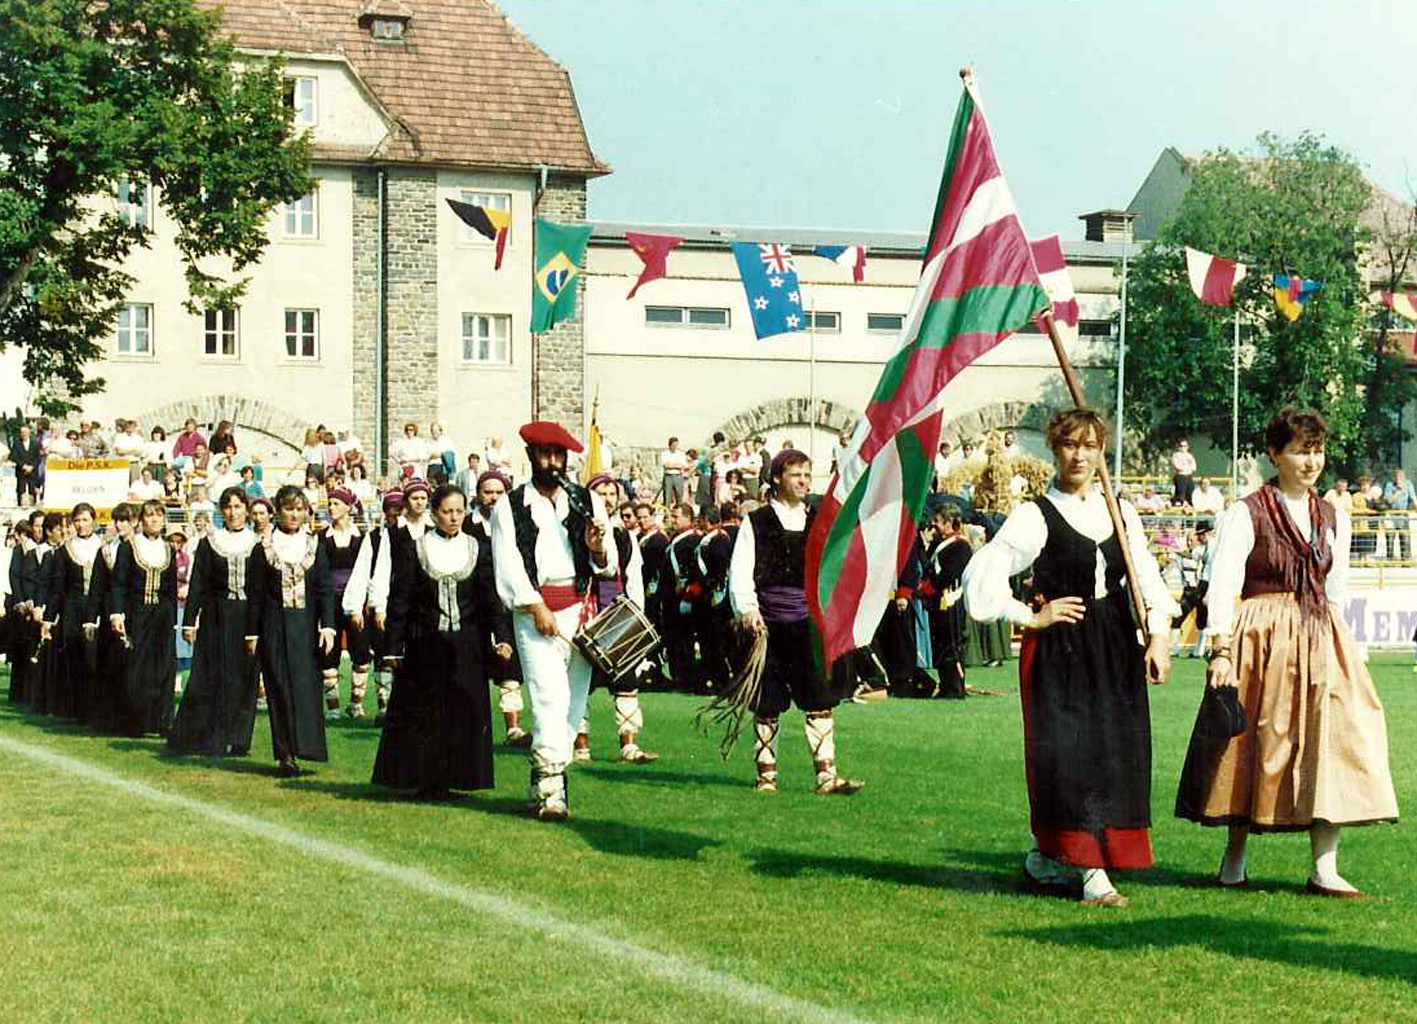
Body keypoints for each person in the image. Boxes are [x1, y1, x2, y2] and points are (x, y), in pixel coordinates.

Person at [1175, 407, 1398, 897]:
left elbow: (1336, 587)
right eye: (1300, 450)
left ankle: (1325, 865)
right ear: (1275, 454)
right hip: (1263, 634)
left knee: (1333, 739)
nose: (1310, 460)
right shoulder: (1247, 510)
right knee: (1251, 738)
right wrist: (1222, 649)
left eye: (1316, 450)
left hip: (1321, 635)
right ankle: (1234, 858)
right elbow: (1224, 584)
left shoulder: (1332, 514)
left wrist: (1344, 646)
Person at [963, 408, 1176, 907]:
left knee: (1115, 754)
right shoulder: (1036, 514)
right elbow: (984, 573)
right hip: (1061, 649)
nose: (1079, 455)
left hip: (1115, 646)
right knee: (1071, 755)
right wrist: (1029, 616)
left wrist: (1160, 637)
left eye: (1089, 445)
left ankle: (1047, 856)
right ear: (1054, 452)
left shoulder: (1119, 511)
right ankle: (1091, 873)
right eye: (1068, 445)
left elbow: (1145, 577)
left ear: (1102, 450)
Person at [489, 420, 618, 821]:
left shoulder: (586, 501)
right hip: (536, 611)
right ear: (531, 457)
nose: (553, 462)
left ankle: (543, 774)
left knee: (573, 703)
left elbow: (608, 562)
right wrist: (534, 606)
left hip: (580, 608)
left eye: (559, 455)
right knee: (549, 697)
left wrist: (596, 549)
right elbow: (508, 564)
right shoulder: (509, 506)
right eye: (545, 454)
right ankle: (552, 790)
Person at [728, 449, 863, 796]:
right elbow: (741, 569)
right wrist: (747, 609)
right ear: (776, 479)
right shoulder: (756, 522)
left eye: (807, 474)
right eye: (795, 474)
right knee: (768, 702)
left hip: (808, 624)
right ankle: (766, 776)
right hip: (768, 624)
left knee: (819, 697)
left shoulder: (819, 520)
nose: (803, 481)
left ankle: (825, 775)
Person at [373, 483, 504, 799]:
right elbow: (400, 601)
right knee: (425, 713)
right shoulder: (414, 548)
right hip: (424, 645)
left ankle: (456, 777)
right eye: (447, 512)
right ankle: (425, 779)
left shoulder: (478, 548)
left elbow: (490, 599)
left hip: (467, 646)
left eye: (460, 511)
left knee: (462, 711)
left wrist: (500, 636)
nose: (455, 517)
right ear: (434, 513)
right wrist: (392, 647)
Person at [245, 485, 337, 777]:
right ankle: (285, 754)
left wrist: (329, 626)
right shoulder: (264, 548)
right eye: (288, 509)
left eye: (299, 509)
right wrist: (252, 633)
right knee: (280, 687)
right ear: (278, 511)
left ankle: (305, 747)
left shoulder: (315, 545)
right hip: (273, 625)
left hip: (306, 626)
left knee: (305, 688)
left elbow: (324, 590)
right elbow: (256, 593)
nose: (294, 514)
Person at [167, 487, 261, 757]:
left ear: (246, 508)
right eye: (228, 507)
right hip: (216, 616)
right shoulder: (211, 542)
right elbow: (197, 584)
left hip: (248, 617)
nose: (233, 512)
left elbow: (262, 587)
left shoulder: (257, 543)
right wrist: (188, 622)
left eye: (238, 506)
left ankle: (239, 738)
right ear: (222, 511)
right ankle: (211, 736)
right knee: (213, 676)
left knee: (244, 677)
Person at [573, 474, 657, 764]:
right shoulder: (574, 530)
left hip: (617, 611)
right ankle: (579, 745)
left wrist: (637, 618)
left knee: (626, 680)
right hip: (586, 609)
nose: (607, 498)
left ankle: (629, 746)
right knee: (581, 682)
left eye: (611, 493)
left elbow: (633, 578)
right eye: (600, 492)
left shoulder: (625, 535)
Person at [464, 470, 530, 746]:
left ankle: (513, 728)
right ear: (478, 494)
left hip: (508, 601)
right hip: (474, 603)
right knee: (471, 665)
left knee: (509, 665)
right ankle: (468, 727)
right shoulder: (468, 524)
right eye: (487, 491)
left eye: (498, 492)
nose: (493, 497)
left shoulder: (518, 522)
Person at [108, 499, 182, 737]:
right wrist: (117, 613)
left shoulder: (169, 548)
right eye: (150, 516)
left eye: (159, 516)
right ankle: (135, 721)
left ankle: (163, 720)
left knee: (163, 666)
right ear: (142, 520)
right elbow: (118, 583)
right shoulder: (130, 546)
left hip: (162, 614)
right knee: (137, 667)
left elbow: (170, 586)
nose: (154, 520)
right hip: (137, 613)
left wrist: (170, 615)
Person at [341, 491, 404, 722]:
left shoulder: (413, 535)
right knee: (382, 653)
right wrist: (356, 606)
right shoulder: (374, 538)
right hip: (381, 605)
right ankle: (384, 705)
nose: (396, 512)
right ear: (385, 511)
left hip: (406, 605)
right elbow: (361, 572)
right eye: (392, 508)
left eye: (400, 508)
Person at [318, 487, 371, 720]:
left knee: (360, 652)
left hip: (355, 601)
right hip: (329, 601)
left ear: (348, 507)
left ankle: (356, 704)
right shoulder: (321, 537)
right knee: (329, 653)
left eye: (336, 503)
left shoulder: (362, 537)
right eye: (329, 503)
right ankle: (333, 708)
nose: (331, 508)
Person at [1382, 468, 1415, 562]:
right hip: (1391, 513)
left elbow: (1413, 498)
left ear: (1404, 477)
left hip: (1403, 513)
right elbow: (1389, 500)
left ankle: (1406, 559)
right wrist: (1399, 492)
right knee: (1390, 538)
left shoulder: (1408, 484)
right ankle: (1390, 559)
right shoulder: (1389, 485)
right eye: (1396, 477)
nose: (1398, 479)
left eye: (1400, 477)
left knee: (1405, 537)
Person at [9, 424, 41, 506]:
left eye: (25, 432)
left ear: (29, 433)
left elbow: (38, 458)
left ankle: (32, 506)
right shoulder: (16, 443)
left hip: (32, 471)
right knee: (20, 490)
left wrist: (32, 467)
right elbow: (13, 456)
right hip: (21, 471)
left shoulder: (35, 443)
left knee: (32, 490)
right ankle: (20, 506)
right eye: (22, 432)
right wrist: (23, 466)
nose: (24, 434)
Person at [661, 437, 688, 505]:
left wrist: (673, 465)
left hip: (678, 476)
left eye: (676, 445)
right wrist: (677, 465)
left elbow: (684, 465)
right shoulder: (665, 454)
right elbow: (666, 465)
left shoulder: (681, 454)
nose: (675, 447)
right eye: (673, 445)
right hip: (668, 476)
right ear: (669, 445)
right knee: (667, 496)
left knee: (679, 495)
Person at [1171, 438, 1197, 506]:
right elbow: (1178, 467)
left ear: (1188, 447)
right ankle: (1178, 505)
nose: (1183, 448)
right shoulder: (1176, 455)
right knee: (1181, 493)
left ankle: (1189, 506)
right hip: (1180, 477)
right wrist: (1187, 467)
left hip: (1189, 476)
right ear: (1179, 447)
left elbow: (1194, 468)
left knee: (1190, 493)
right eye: (1181, 446)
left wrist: (1185, 467)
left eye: (1185, 446)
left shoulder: (1190, 456)